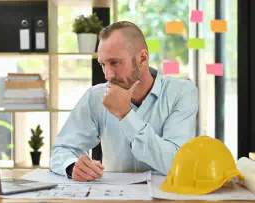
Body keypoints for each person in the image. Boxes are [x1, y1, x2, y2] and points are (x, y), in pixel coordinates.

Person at [50, 21, 199, 182]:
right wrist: (72, 166)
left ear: (142, 58)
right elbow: (61, 149)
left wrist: (125, 114)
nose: (108, 75)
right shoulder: (95, 97)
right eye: (103, 64)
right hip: (114, 197)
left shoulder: (181, 92)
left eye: (114, 63)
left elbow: (175, 163)